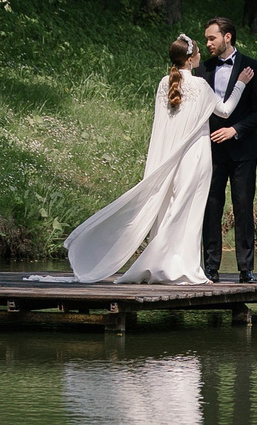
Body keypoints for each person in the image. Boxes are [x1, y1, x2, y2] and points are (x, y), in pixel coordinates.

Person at [55, 36, 235, 284]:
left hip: (170, 155)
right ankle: (179, 265)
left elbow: (163, 126)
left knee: (170, 206)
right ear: (191, 58)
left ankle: (163, 263)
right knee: (188, 209)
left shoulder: (165, 83)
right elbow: (225, 110)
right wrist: (241, 84)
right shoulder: (201, 86)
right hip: (195, 155)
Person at [195, 17, 257, 282]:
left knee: (243, 207)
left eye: (212, 38)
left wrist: (234, 130)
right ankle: (210, 268)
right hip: (211, 149)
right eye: (206, 39)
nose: (208, 43)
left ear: (227, 37)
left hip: (243, 150)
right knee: (211, 206)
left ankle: (245, 268)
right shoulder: (202, 69)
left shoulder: (254, 67)